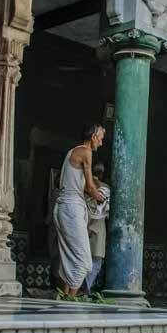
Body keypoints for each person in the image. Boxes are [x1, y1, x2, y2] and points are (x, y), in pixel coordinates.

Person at [53, 123, 105, 297]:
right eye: (100, 139)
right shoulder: (86, 152)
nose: (101, 143)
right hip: (71, 208)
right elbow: (90, 187)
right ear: (93, 137)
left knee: (68, 259)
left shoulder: (72, 151)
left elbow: (81, 185)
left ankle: (65, 298)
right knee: (84, 262)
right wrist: (102, 199)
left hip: (64, 207)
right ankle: (71, 299)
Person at [83, 162, 110, 295]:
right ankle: (85, 289)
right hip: (96, 228)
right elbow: (101, 210)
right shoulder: (104, 188)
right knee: (96, 261)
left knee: (84, 258)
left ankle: (81, 288)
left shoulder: (84, 185)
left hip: (84, 224)